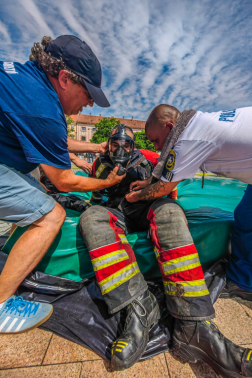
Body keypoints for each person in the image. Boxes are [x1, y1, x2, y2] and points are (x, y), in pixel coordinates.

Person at [79, 124, 252, 377]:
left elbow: (171, 181)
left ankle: (193, 324)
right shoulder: (99, 164)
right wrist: (97, 198)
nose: (120, 148)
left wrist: (164, 201)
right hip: (118, 210)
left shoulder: (149, 157)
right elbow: (96, 196)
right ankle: (137, 306)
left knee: (171, 211)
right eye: (115, 143)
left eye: (125, 144)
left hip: (145, 204)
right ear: (109, 143)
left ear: (133, 146)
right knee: (91, 216)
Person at [0, 35, 125, 334]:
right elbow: (64, 181)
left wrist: (96, 149)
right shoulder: (42, 106)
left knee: (37, 192)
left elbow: (48, 136)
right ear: (65, 78)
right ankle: (2, 302)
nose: (92, 102)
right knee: (50, 215)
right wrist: (104, 183)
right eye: (89, 92)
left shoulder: (26, 82)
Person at [126, 105, 252, 303]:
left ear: (169, 127)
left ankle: (242, 282)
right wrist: (146, 183)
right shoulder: (196, 124)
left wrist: (135, 196)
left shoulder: (188, 140)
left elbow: (163, 188)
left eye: (156, 141)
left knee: (247, 219)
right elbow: (165, 171)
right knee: (246, 217)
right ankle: (242, 283)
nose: (156, 147)